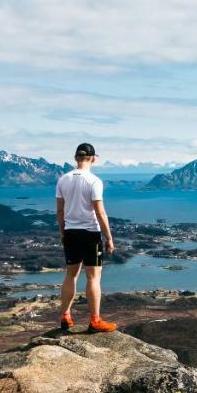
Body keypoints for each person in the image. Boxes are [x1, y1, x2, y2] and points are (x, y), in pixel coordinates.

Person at [55, 142, 117, 333]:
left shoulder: (62, 180)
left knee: (70, 274)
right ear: (93, 158)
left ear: (76, 158)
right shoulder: (94, 181)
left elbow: (60, 210)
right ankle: (95, 320)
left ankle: (65, 315)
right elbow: (100, 211)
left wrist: (62, 233)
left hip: (71, 232)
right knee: (93, 277)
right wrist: (109, 238)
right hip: (90, 234)